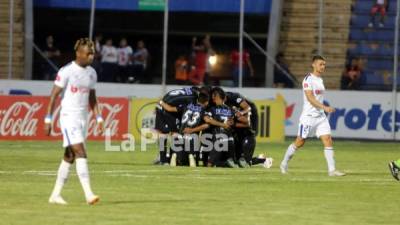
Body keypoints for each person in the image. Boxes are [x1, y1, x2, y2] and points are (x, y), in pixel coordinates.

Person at [45, 38, 104, 205]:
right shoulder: (67, 71)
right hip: (68, 118)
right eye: (88, 53)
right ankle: (89, 194)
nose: (91, 56)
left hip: (82, 119)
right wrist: (48, 119)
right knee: (80, 152)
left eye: (93, 53)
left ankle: (55, 195)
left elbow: (92, 98)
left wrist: (99, 118)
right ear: (79, 53)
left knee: (69, 156)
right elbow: (53, 95)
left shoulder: (92, 73)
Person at [279, 55, 346, 177]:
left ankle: (332, 170)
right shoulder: (308, 80)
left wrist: (322, 110)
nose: (323, 67)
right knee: (299, 142)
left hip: (320, 117)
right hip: (309, 117)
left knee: (327, 140)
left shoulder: (320, 80)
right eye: (320, 64)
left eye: (324, 65)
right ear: (313, 64)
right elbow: (310, 98)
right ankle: (284, 163)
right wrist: (325, 107)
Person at [155, 87, 208, 165]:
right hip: (167, 108)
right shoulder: (193, 100)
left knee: (162, 134)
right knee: (175, 133)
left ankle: (162, 157)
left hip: (162, 105)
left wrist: (161, 102)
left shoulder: (189, 91)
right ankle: (171, 157)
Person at [204, 87, 237, 168]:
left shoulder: (212, 109)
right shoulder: (230, 109)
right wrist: (228, 124)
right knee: (229, 163)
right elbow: (232, 122)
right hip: (230, 140)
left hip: (219, 139)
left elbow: (207, 119)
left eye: (213, 95)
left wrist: (222, 125)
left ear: (215, 97)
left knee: (209, 164)